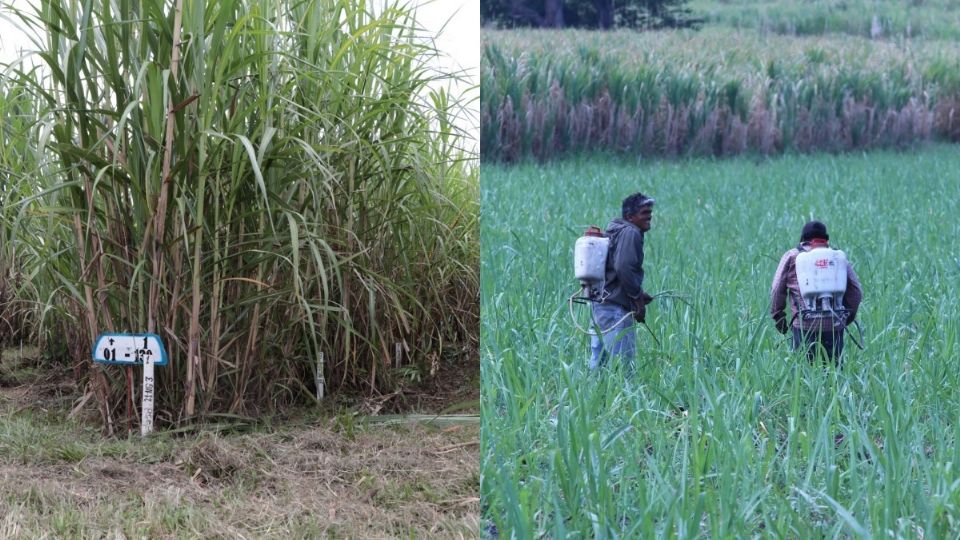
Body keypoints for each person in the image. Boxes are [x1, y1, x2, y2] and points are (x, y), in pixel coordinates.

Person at [770, 220, 862, 364]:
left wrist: (779, 318)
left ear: (803, 239)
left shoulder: (792, 256)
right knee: (834, 374)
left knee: (803, 374)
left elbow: (776, 289)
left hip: (803, 324)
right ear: (825, 239)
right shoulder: (837, 257)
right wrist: (846, 317)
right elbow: (856, 291)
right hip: (834, 324)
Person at [589, 192, 656, 372]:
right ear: (630, 216)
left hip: (601, 307)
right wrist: (636, 299)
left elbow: (614, 271)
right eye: (644, 212)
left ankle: (596, 400)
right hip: (616, 310)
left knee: (599, 364)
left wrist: (640, 294)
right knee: (622, 368)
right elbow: (623, 267)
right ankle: (623, 401)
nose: (649, 216)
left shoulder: (616, 231)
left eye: (650, 212)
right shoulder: (631, 232)